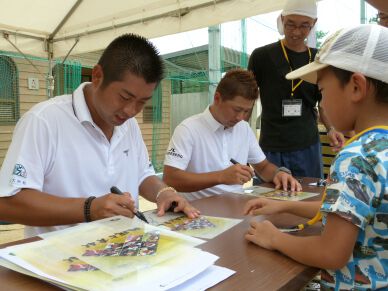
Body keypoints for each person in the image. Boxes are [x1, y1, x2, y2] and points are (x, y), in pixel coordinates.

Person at [0, 33, 200, 237]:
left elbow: (143, 174)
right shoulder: (43, 121)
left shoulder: (129, 125)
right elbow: (8, 202)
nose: (131, 111)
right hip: (60, 259)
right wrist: (90, 209)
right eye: (124, 97)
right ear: (97, 76)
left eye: (142, 102)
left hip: (125, 249)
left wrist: (163, 192)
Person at [244, 24, 388, 290]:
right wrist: (284, 205)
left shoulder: (356, 157)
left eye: (321, 91)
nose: (322, 102)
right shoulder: (381, 149)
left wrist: (275, 238)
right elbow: (351, 211)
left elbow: (331, 252)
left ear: (356, 87)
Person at [163, 69, 301, 201]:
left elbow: (263, 167)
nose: (241, 117)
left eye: (246, 111)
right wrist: (221, 176)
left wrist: (279, 174)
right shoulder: (188, 129)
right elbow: (170, 179)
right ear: (217, 98)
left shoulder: (243, 128)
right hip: (198, 211)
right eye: (237, 109)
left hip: (237, 207)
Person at [248, 0, 345, 179]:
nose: (296, 32)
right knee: (268, 200)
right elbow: (248, 100)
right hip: (270, 147)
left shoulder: (319, 59)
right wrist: (240, 138)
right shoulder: (261, 56)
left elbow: (323, 102)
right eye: (290, 24)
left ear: (313, 24)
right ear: (282, 19)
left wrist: (331, 128)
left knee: (309, 196)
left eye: (304, 26)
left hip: (306, 145)